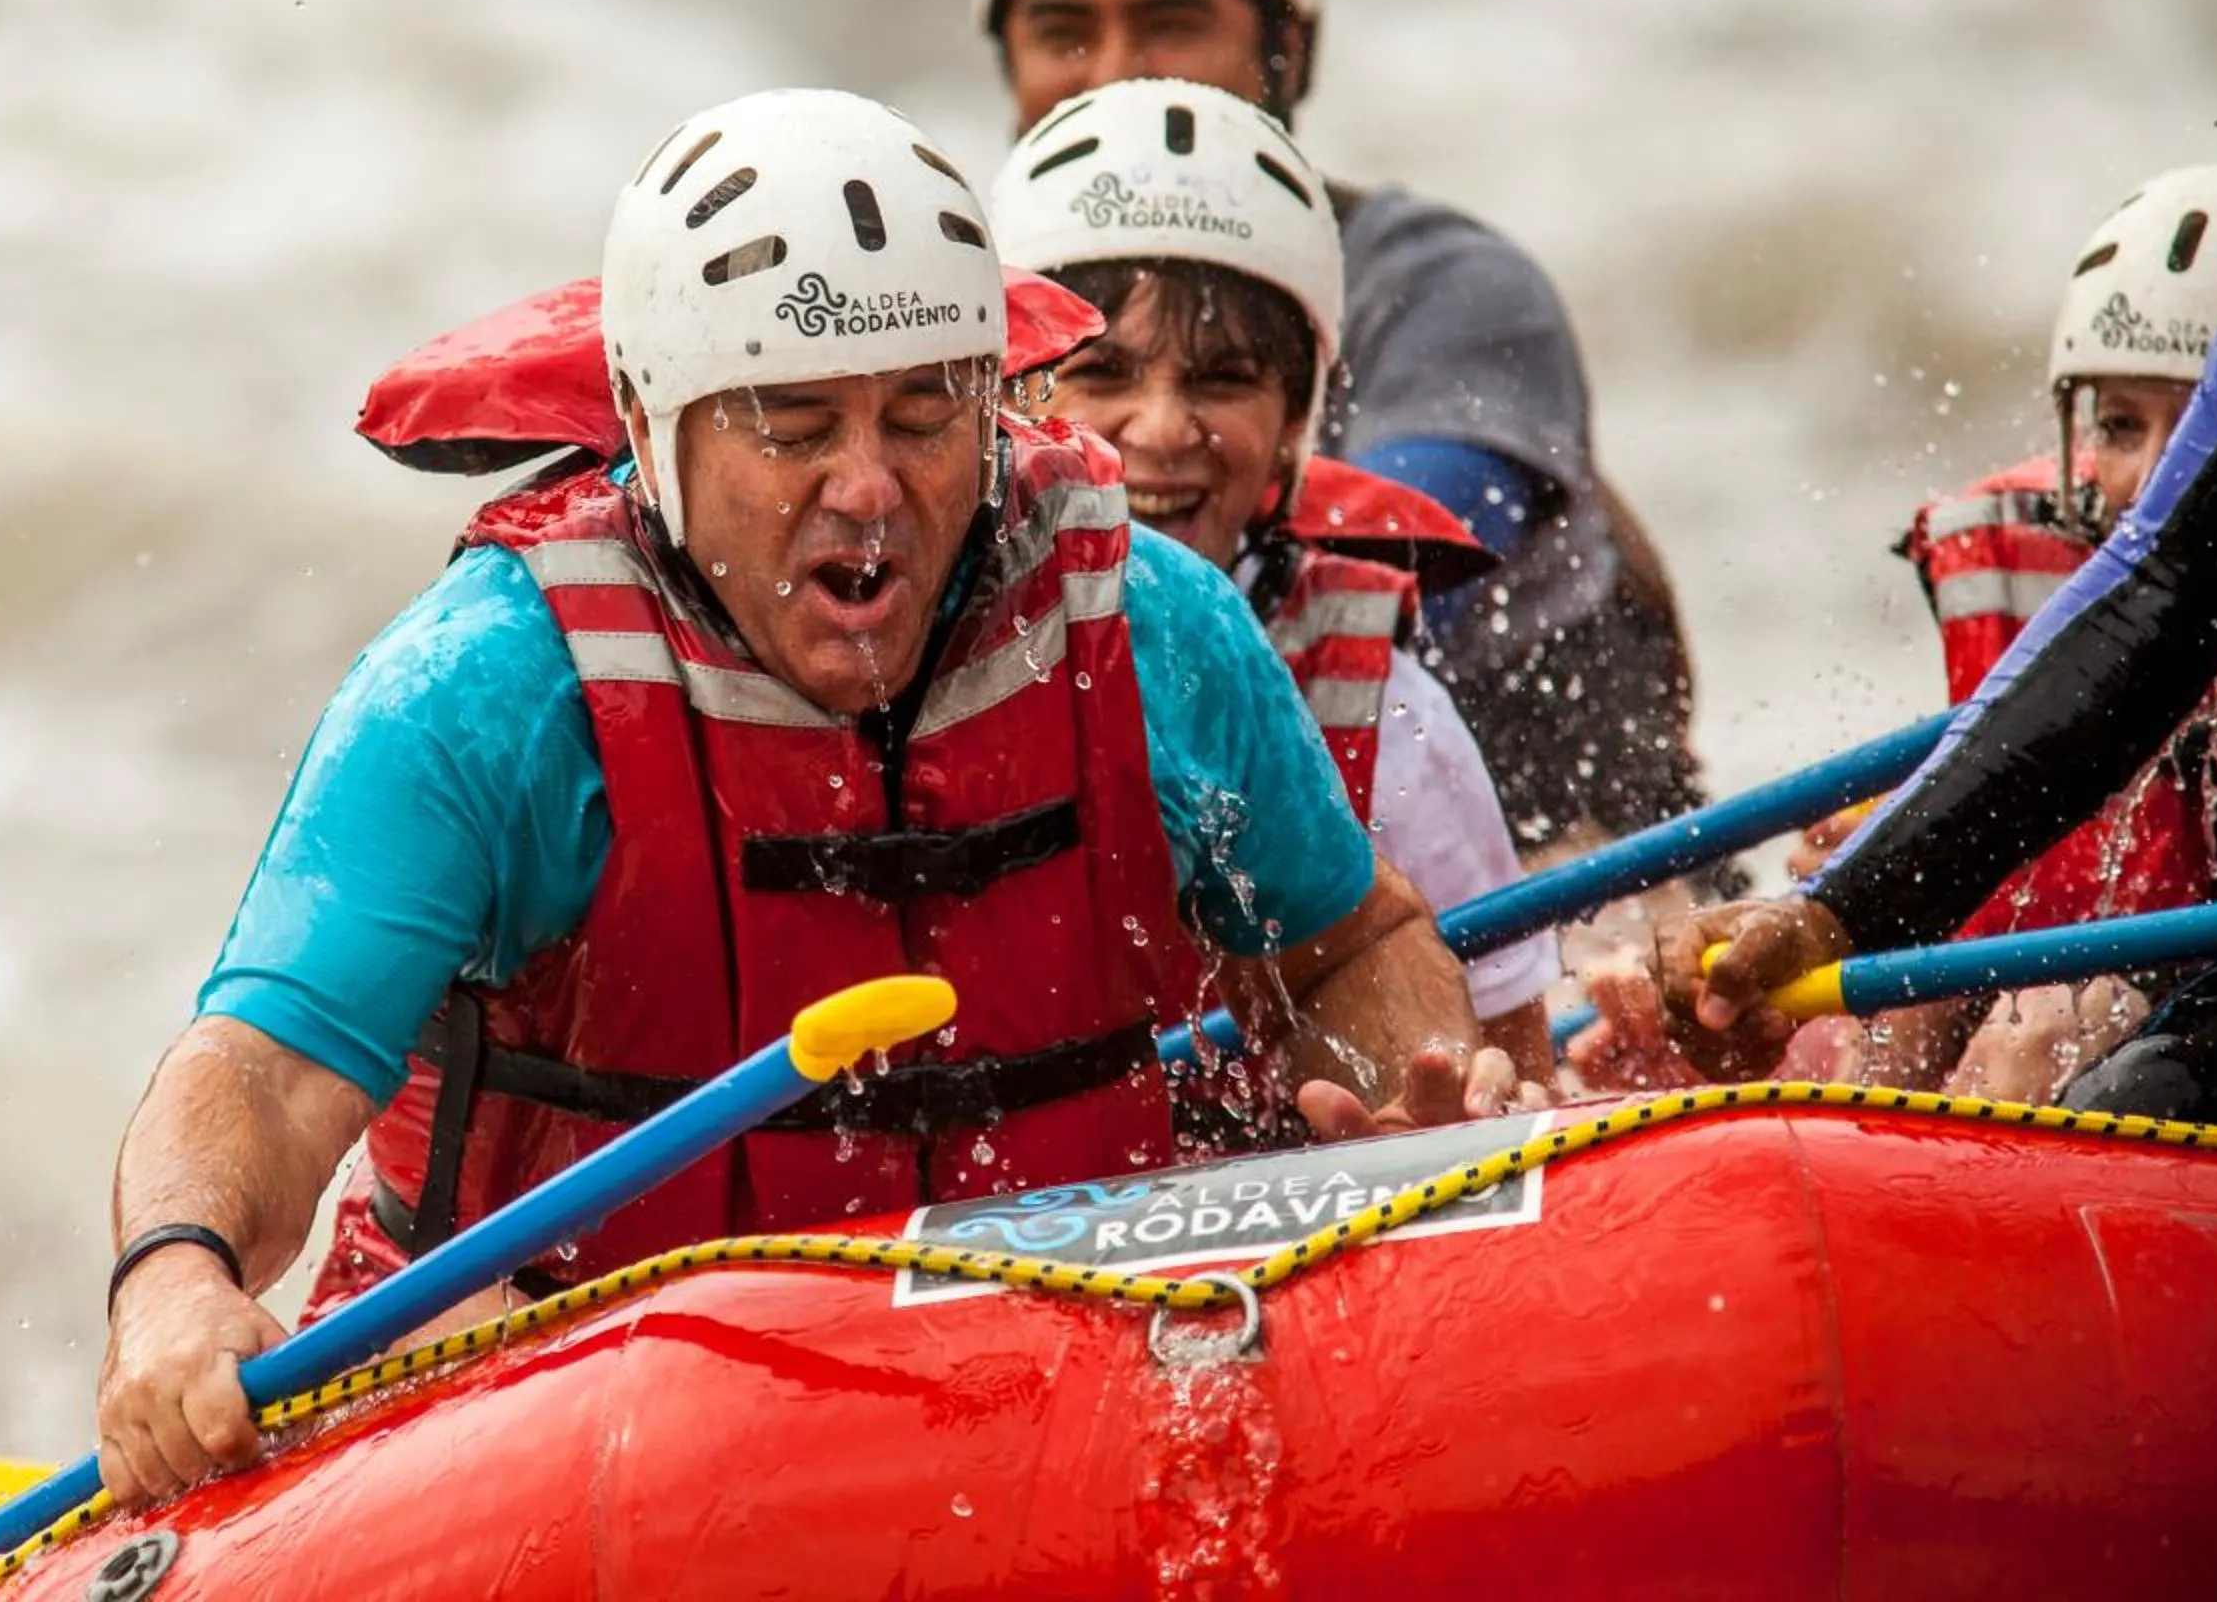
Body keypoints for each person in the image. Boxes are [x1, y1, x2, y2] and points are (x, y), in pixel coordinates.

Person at [96, 89, 1509, 1505]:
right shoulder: (488, 689)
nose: (870, 487)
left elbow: (1353, 946)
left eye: (921, 416)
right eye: (792, 424)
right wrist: (173, 1280)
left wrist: (1407, 1091)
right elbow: (265, 1073)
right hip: (564, 1404)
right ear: (654, 429)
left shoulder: (1154, 630)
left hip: (1057, 1373)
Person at [970, 0, 1709, 867]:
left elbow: (1395, 544)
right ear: (1012, 70)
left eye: (1174, 20)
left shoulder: (1449, 284)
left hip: (1557, 868)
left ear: (1289, 52)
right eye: (1065, 32)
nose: (1119, 68)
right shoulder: (967, 303)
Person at [986, 76, 1561, 1083]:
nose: (1161, 430)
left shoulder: (1392, 717)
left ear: (1297, 423)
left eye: (1222, 379)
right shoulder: (908, 659)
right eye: (1104, 374)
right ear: (1010, 401)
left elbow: (1519, 1074)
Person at [1638, 210, 2217, 1121]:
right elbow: (2164, 592)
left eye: (2183, 421)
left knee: (2111, 1069)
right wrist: (1828, 914)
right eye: (2118, 426)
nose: (2146, 480)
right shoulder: (2112, 615)